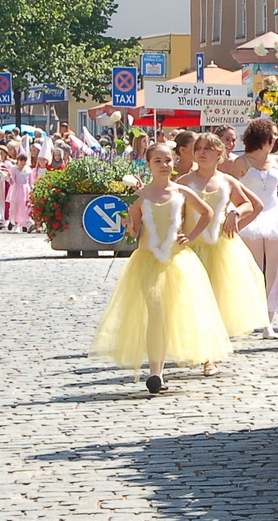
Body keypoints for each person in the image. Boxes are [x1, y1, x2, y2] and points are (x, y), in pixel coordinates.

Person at [88, 143, 229, 394]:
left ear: (174, 163)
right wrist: (128, 223)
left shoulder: (182, 191)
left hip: (178, 262)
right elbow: (133, 233)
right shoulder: (140, 196)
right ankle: (156, 373)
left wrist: (191, 235)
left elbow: (207, 213)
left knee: (171, 313)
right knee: (156, 310)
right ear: (149, 165)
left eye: (168, 160)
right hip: (148, 261)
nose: (164, 165)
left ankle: (180, 362)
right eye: (158, 161)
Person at [181, 133, 269, 358]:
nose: (201, 152)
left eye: (207, 148)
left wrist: (235, 214)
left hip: (220, 249)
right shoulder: (184, 182)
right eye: (198, 148)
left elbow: (252, 205)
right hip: (191, 248)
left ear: (219, 153)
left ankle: (209, 357)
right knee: (193, 301)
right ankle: (195, 348)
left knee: (215, 302)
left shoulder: (227, 181)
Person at [235, 117, 278, 339]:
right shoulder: (241, 162)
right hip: (251, 218)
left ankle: (269, 322)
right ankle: (252, 316)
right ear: (261, 136)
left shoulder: (277, 161)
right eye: (272, 134)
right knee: (254, 270)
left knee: (274, 271)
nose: (276, 138)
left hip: (273, 216)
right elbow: (232, 191)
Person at [7, 148, 38, 232]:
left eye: (24, 160)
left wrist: (32, 189)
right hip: (16, 189)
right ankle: (16, 223)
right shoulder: (14, 169)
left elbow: (31, 181)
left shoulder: (28, 169)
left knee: (24, 207)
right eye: (21, 160)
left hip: (25, 189)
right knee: (15, 207)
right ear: (18, 160)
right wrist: (10, 178)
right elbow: (12, 182)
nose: (23, 162)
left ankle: (24, 223)